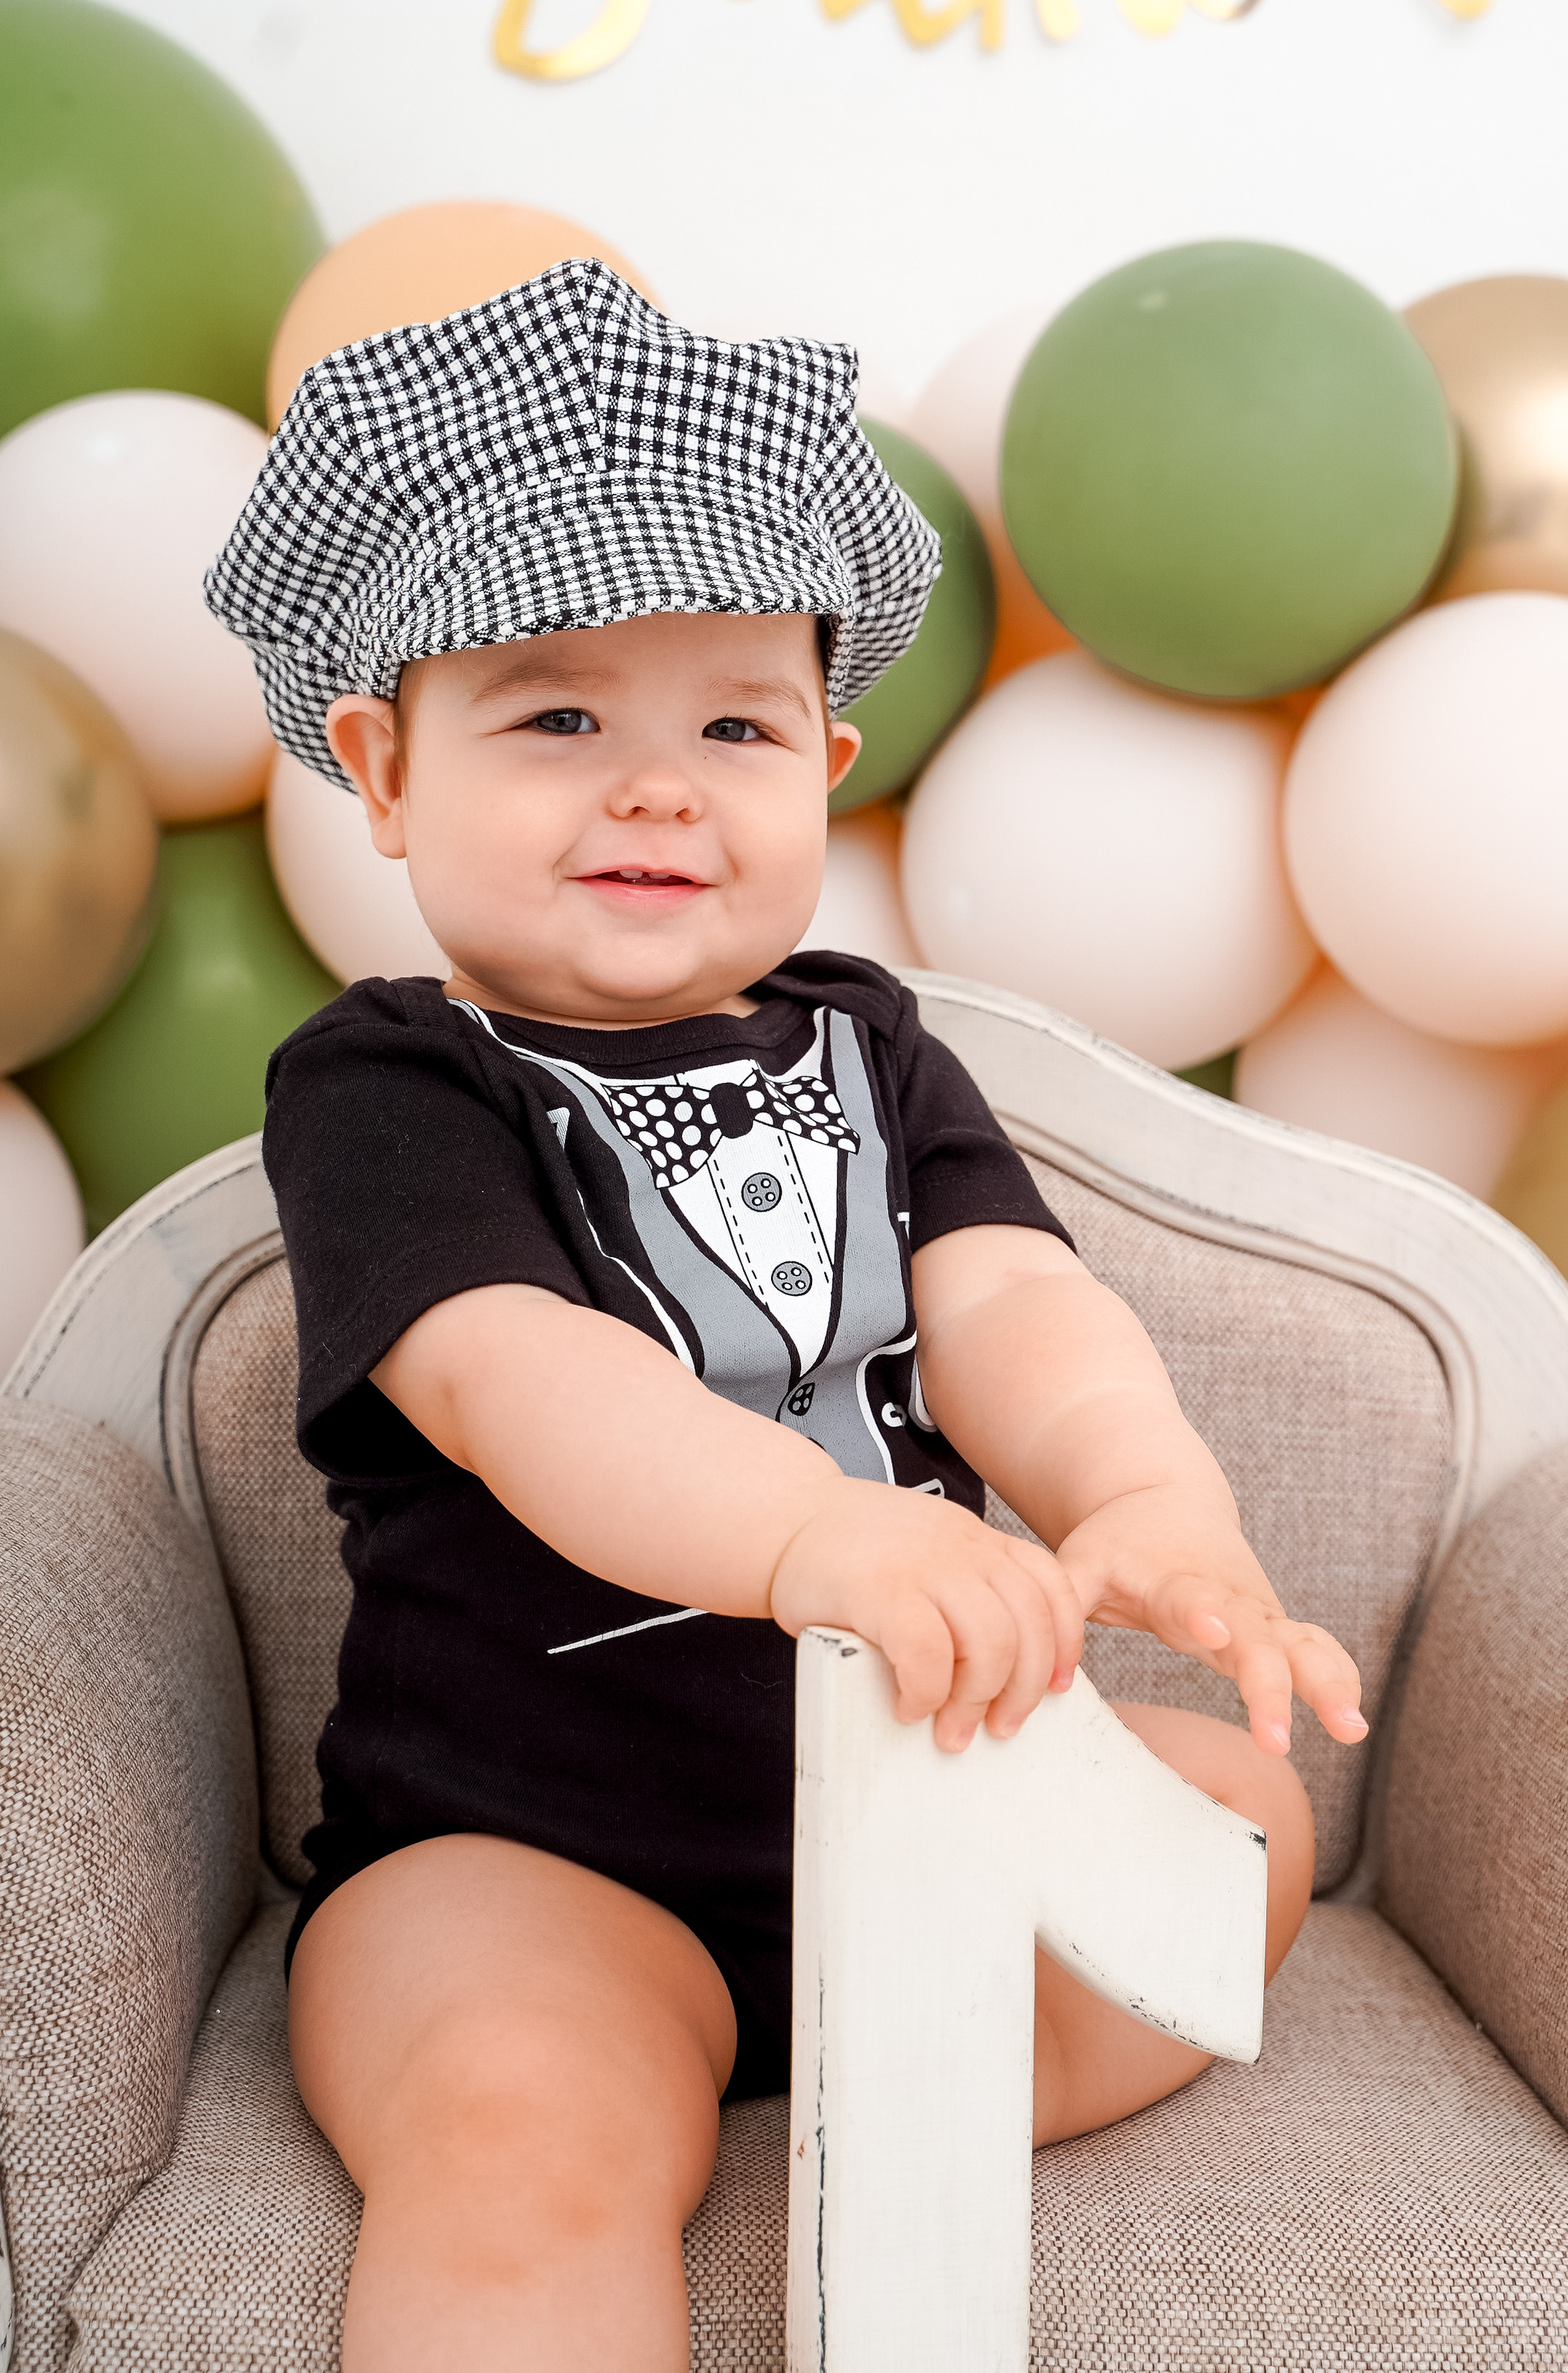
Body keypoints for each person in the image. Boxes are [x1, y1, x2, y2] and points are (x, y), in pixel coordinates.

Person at [206, 258, 1367, 2372]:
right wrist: (820, 1537)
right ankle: (631, 2114)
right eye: (557, 713)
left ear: (821, 767)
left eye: (732, 726)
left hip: (928, 1804)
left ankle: (879, 2070)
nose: (657, 786)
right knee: (514, 2124)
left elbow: (1017, 1297)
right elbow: (518, 1380)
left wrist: (1149, 1495)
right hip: (535, 1854)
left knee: (1244, 1819)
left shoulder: (870, 1045)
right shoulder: (392, 1085)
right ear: (381, 769)